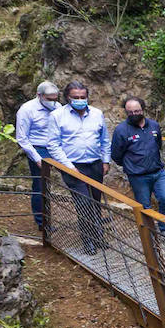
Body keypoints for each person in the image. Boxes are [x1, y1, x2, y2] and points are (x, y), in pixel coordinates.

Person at [50, 81, 111, 255]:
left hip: (95, 164)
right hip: (73, 167)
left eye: (83, 97)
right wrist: (69, 167)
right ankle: (88, 240)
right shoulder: (57, 116)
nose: (79, 100)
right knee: (83, 204)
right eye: (75, 97)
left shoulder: (97, 114)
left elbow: (104, 140)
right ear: (67, 98)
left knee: (95, 202)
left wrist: (105, 161)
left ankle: (99, 235)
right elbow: (54, 145)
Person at [111, 96, 165, 244]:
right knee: (144, 206)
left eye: (137, 111)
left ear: (143, 109)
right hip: (138, 176)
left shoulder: (154, 125)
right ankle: (149, 235)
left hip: (157, 172)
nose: (134, 114)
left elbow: (158, 144)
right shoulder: (121, 130)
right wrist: (132, 165)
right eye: (130, 112)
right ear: (126, 112)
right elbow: (116, 155)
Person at [14, 80, 62, 230]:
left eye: (55, 99)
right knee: (41, 185)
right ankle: (43, 222)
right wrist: (36, 158)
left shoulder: (58, 107)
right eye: (49, 99)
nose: (53, 102)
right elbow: (22, 138)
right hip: (38, 147)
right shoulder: (27, 110)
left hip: (56, 146)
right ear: (39, 95)